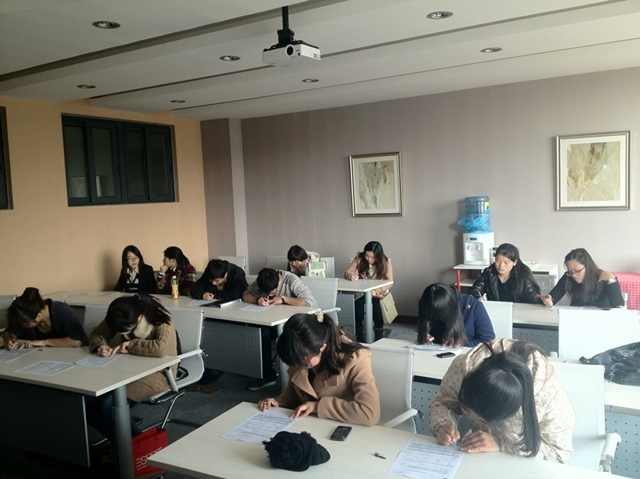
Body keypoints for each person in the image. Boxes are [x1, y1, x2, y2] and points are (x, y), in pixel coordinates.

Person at [430, 339, 575, 463]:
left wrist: (503, 443)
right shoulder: (462, 368)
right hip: (477, 460)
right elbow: (444, 403)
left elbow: (559, 453)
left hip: (519, 465)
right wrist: (443, 425)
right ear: (471, 374)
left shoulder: (549, 397)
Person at [258, 312, 380, 426]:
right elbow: (294, 392)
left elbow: (369, 413)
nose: (299, 365)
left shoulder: (356, 359)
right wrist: (279, 403)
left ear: (322, 347)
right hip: (308, 425)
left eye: (304, 361)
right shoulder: (299, 352)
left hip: (342, 427)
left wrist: (317, 407)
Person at [86, 294, 177, 444]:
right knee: (87, 402)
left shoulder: (159, 316)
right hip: (126, 369)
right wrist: (100, 345)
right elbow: (97, 334)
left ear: (139, 318)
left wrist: (131, 345)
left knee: (108, 406)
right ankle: (123, 446)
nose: (122, 333)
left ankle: (141, 448)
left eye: (126, 330)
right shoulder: (118, 315)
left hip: (159, 373)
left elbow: (161, 349)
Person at [244, 268, 318, 391]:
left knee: (285, 336)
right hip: (273, 320)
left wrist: (283, 299)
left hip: (296, 323)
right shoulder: (262, 280)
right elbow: (245, 295)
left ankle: (295, 378)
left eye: (272, 292)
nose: (270, 295)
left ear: (278, 282)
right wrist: (257, 299)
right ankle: (267, 375)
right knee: (261, 333)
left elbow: (310, 302)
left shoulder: (292, 280)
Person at [2, 287, 87, 349]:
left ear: (38, 317)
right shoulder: (26, 316)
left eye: (24, 324)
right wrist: (10, 340)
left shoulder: (61, 311)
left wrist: (45, 342)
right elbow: (9, 332)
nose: (22, 326)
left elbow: (78, 340)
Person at [417, 283, 495, 347]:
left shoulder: (474, 306)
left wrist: (463, 344)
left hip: (466, 355)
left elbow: (488, 340)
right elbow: (427, 330)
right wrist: (426, 336)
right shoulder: (428, 303)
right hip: (436, 352)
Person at [542, 248, 624, 309]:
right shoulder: (568, 277)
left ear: (587, 266)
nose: (574, 275)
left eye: (577, 271)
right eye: (570, 271)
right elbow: (553, 298)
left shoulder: (604, 278)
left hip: (601, 320)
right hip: (575, 318)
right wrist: (549, 301)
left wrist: (612, 280)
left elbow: (619, 306)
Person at [344, 241, 393, 341]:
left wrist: (376, 291)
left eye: (372, 257)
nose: (369, 259)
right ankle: (359, 334)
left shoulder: (386, 261)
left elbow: (390, 281)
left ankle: (379, 334)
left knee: (376, 307)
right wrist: (351, 276)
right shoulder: (359, 258)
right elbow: (348, 271)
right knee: (358, 306)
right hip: (363, 292)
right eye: (367, 256)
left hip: (377, 294)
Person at [468, 243, 542, 304]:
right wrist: (478, 297)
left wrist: (544, 301)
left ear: (514, 262)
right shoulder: (489, 272)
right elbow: (475, 289)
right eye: (498, 261)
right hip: (497, 310)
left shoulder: (523, 276)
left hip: (518, 312)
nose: (501, 265)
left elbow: (535, 299)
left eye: (506, 262)